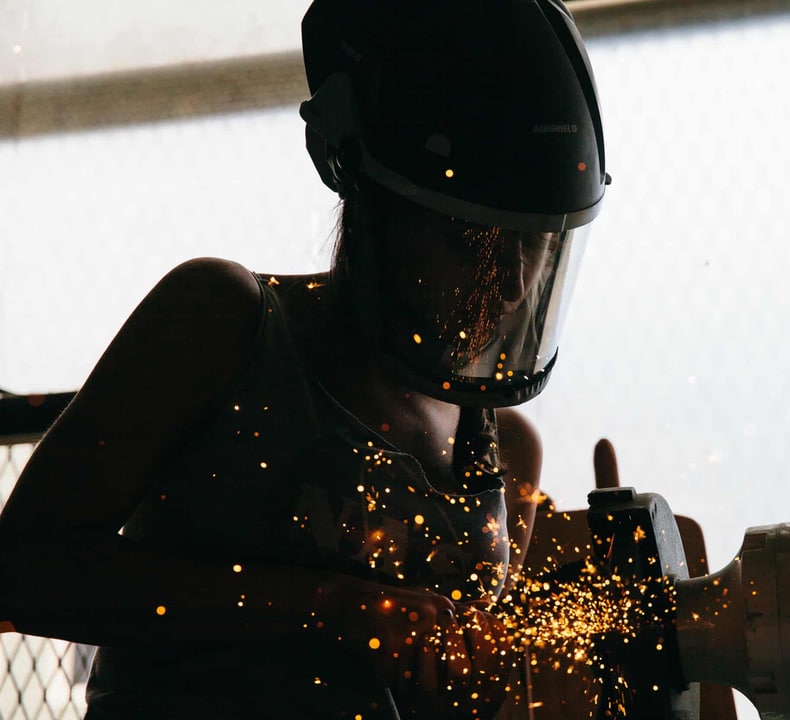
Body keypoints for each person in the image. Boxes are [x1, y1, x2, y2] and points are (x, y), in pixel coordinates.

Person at [0, 0, 609, 718]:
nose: (510, 288)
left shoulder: (504, 451)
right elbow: (23, 569)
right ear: (369, 191)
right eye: (470, 246)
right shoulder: (222, 322)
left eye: (535, 248)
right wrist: (325, 606)